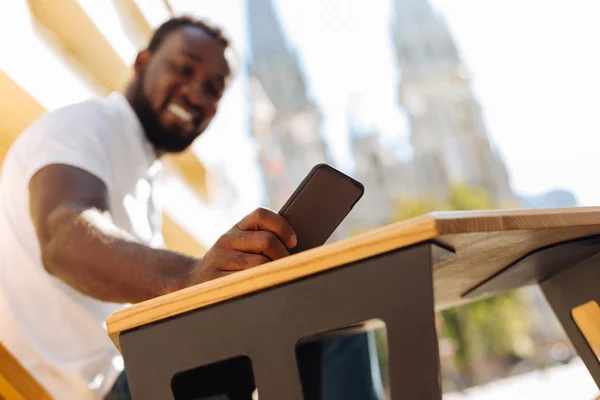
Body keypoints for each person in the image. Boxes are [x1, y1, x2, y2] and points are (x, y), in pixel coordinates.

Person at [0, 16, 383, 399]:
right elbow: (62, 237)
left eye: (213, 89)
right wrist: (190, 279)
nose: (197, 95)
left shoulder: (141, 172)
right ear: (141, 62)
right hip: (99, 391)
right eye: (183, 69)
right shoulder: (85, 124)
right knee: (328, 309)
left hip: (128, 376)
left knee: (298, 306)